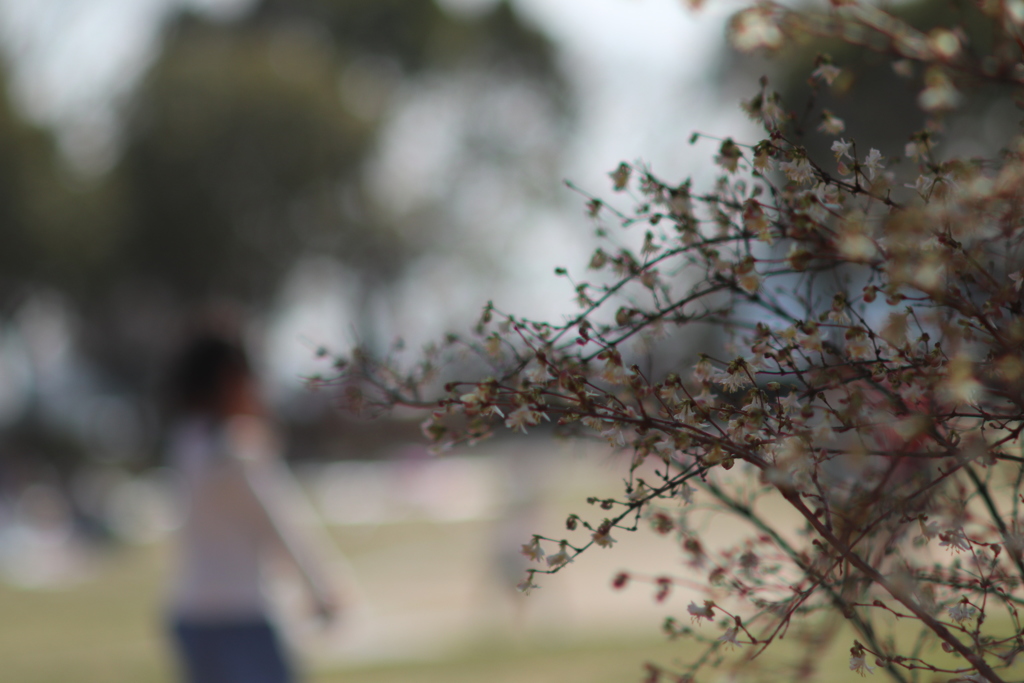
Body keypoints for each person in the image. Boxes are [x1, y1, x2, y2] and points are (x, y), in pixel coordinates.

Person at [163, 334, 339, 683]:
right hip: (242, 614)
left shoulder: (185, 439)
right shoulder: (240, 446)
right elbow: (278, 523)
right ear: (230, 380)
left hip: (191, 613)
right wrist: (322, 590)